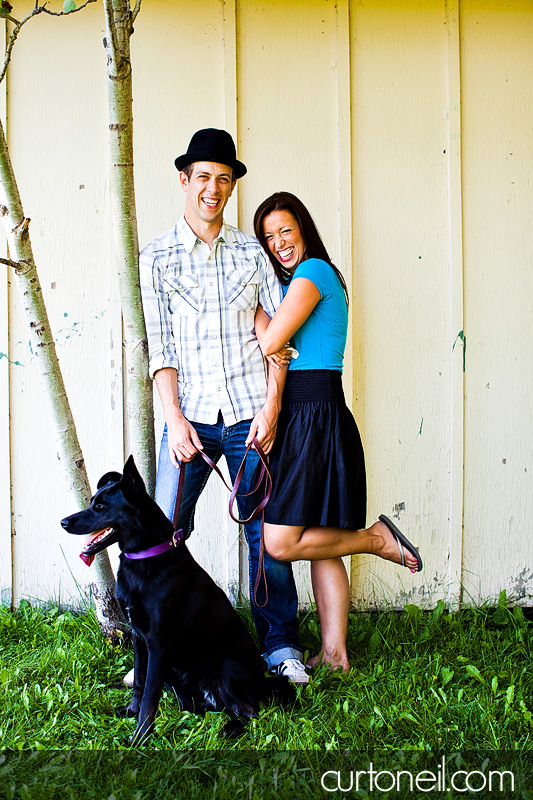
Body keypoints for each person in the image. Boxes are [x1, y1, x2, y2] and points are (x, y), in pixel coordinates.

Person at [137, 131, 308, 684]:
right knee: (162, 534)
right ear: (185, 179)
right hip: (188, 421)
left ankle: (280, 648)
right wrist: (174, 420)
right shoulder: (157, 258)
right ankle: (155, 654)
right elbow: (160, 348)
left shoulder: (251, 253)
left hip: (248, 416)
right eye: (204, 176)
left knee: (264, 532)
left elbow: (278, 340)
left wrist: (272, 408)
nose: (214, 189)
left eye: (224, 179)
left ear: (232, 187)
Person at [253, 191, 422, 674]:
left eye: (285, 230)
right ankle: (335, 654)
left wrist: (250, 309)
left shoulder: (314, 274)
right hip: (309, 413)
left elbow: (270, 340)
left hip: (313, 413)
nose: (279, 242)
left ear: (303, 227)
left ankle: (375, 540)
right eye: (269, 237)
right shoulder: (301, 282)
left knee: (281, 541)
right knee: (322, 535)